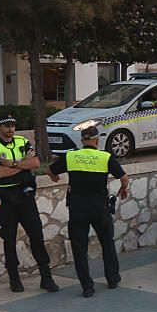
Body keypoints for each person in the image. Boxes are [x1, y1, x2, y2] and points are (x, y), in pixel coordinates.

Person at [48, 125, 129, 298]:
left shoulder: (71, 156)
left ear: (82, 140)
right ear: (97, 140)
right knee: (107, 242)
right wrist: (123, 189)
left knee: (79, 248)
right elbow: (124, 177)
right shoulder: (105, 157)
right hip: (99, 207)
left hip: (78, 208)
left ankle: (87, 287)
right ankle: (113, 279)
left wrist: (54, 177)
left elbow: (50, 169)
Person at [0, 115, 59, 293]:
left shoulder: (22, 141)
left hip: (26, 197)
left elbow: (35, 162)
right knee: (9, 240)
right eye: (6, 126)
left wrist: (12, 164)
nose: (11, 129)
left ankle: (46, 278)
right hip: (6, 198)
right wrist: (23, 166)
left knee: (36, 236)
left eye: (13, 125)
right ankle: (14, 280)